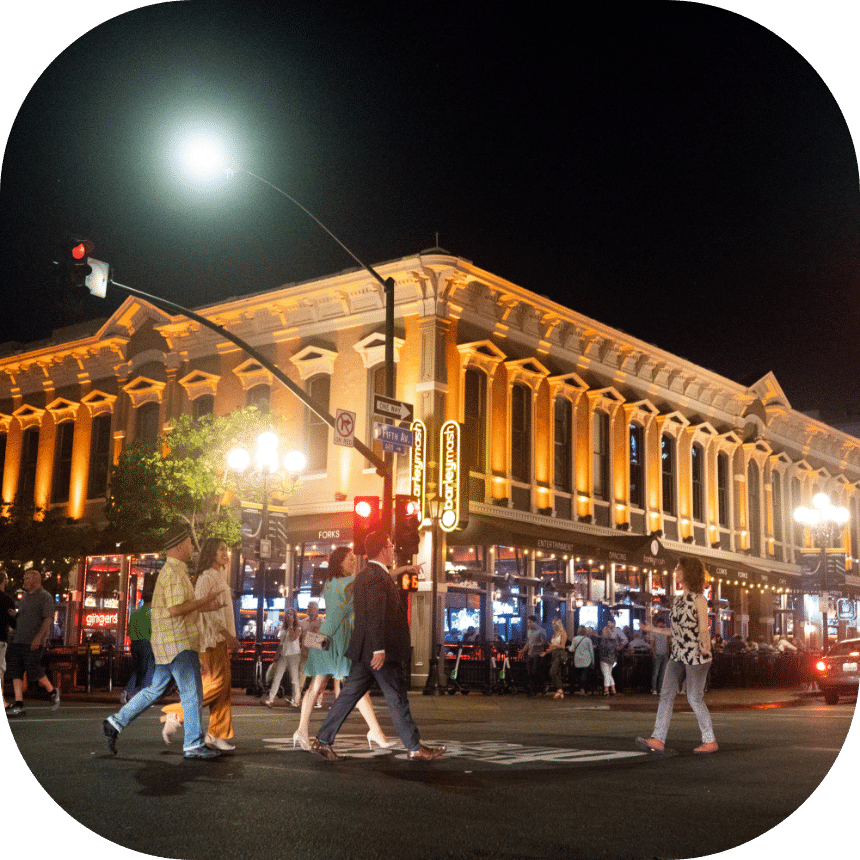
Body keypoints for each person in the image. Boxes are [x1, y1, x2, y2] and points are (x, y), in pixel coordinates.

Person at [309, 527, 444, 762]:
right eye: (391, 547)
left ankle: (322, 740)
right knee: (396, 697)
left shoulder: (368, 575)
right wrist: (379, 649)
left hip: (358, 648)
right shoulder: (371, 577)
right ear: (383, 550)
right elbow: (374, 615)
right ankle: (414, 747)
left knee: (349, 695)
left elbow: (382, 587)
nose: (393, 550)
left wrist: (407, 569)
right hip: (370, 650)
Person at [102, 526, 225, 760]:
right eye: (189, 543)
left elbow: (180, 608)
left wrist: (206, 605)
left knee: (153, 690)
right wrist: (204, 600)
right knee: (192, 694)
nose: (192, 547)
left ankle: (115, 722)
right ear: (179, 546)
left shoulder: (170, 571)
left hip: (166, 644)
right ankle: (193, 744)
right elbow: (176, 609)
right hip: (179, 642)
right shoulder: (176, 573)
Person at [293, 546, 392, 752]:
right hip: (331, 639)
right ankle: (375, 732)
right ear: (339, 562)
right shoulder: (343, 583)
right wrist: (386, 569)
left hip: (328, 638)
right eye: (350, 559)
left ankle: (302, 730)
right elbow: (372, 579)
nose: (354, 562)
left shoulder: (331, 582)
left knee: (320, 686)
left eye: (354, 559)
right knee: (327, 686)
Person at [161, 538, 239, 750]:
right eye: (221, 549)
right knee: (216, 683)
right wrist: (227, 634)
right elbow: (207, 611)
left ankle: (216, 734)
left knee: (223, 689)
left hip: (220, 640)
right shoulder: (206, 577)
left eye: (226, 549)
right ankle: (176, 713)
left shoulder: (218, 576)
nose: (225, 553)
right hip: (210, 640)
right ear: (211, 553)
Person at [636, 556, 718, 755]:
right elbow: (675, 630)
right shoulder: (678, 601)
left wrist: (705, 647)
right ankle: (658, 739)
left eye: (679, 569)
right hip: (678, 654)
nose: (675, 572)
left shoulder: (699, 599)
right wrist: (652, 629)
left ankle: (710, 740)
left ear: (688, 573)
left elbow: (703, 628)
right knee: (666, 694)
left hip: (697, 655)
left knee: (694, 698)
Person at [5, 569, 60, 716]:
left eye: (27, 578)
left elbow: (48, 618)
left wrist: (39, 637)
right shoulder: (25, 597)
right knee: (15, 671)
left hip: (32, 640)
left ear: (36, 580)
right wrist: (14, 617)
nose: (24, 581)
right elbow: (23, 618)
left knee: (33, 668)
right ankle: (18, 703)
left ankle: (52, 691)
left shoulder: (45, 597)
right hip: (18, 639)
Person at [262, 607, 302, 708]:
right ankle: (270, 700)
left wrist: (291, 626)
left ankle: (296, 700)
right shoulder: (283, 628)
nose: (288, 616)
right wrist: (276, 655)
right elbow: (281, 643)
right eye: (287, 614)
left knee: (294, 679)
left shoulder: (298, 628)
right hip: (283, 655)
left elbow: (293, 638)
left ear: (294, 616)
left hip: (294, 655)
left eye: (291, 614)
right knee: (277, 677)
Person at [121, 590, 155, 704]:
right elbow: (154, 632)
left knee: (137, 669)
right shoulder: (151, 614)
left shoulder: (135, 614)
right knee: (147, 670)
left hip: (134, 644)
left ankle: (127, 691)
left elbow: (129, 631)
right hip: (147, 644)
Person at [518, 615, 547, 696]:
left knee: (535, 671)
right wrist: (523, 651)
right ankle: (533, 690)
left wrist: (537, 644)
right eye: (528, 622)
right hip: (530, 653)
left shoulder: (541, 631)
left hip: (537, 654)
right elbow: (528, 642)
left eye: (530, 622)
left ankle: (543, 685)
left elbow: (544, 642)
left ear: (535, 622)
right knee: (530, 672)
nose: (529, 624)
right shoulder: (529, 631)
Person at [297, 600, 321, 699]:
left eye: (311, 607)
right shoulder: (303, 623)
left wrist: (317, 633)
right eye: (308, 607)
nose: (309, 609)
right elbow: (299, 638)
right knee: (300, 677)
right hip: (304, 654)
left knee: (316, 679)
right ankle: (296, 698)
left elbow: (326, 641)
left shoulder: (322, 623)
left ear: (317, 610)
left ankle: (317, 700)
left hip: (317, 656)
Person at [1, 570, 17, 709]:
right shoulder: (7, 600)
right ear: (4, 580)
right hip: (0, 637)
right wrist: (15, 616)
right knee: (0, 670)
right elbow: (14, 624)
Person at [567, 626, 594, 695]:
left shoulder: (575, 639)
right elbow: (591, 651)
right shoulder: (588, 640)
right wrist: (593, 661)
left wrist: (568, 647)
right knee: (584, 675)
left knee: (578, 675)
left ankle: (578, 688)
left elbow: (572, 649)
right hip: (586, 659)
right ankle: (583, 689)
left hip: (577, 659)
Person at [547, 618, 568, 699]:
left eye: (554, 624)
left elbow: (563, 646)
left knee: (552, 671)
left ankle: (559, 690)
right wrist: (546, 652)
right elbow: (551, 647)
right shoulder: (554, 633)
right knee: (557, 673)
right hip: (554, 654)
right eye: (552, 624)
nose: (553, 626)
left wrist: (554, 646)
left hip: (560, 654)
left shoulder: (562, 633)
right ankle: (560, 691)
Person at [649, 616, 669, 695]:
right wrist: (654, 654)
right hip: (658, 654)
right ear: (657, 624)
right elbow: (652, 644)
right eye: (660, 623)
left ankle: (659, 689)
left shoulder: (665, 632)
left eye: (662, 623)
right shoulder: (654, 632)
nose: (661, 625)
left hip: (664, 654)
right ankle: (654, 689)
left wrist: (667, 652)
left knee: (662, 673)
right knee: (656, 673)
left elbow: (667, 643)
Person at [598, 626, 620, 696]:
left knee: (606, 675)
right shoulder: (614, 640)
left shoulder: (603, 640)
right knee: (609, 674)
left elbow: (602, 651)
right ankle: (613, 690)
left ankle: (606, 690)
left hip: (604, 659)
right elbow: (617, 650)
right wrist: (615, 659)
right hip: (612, 660)